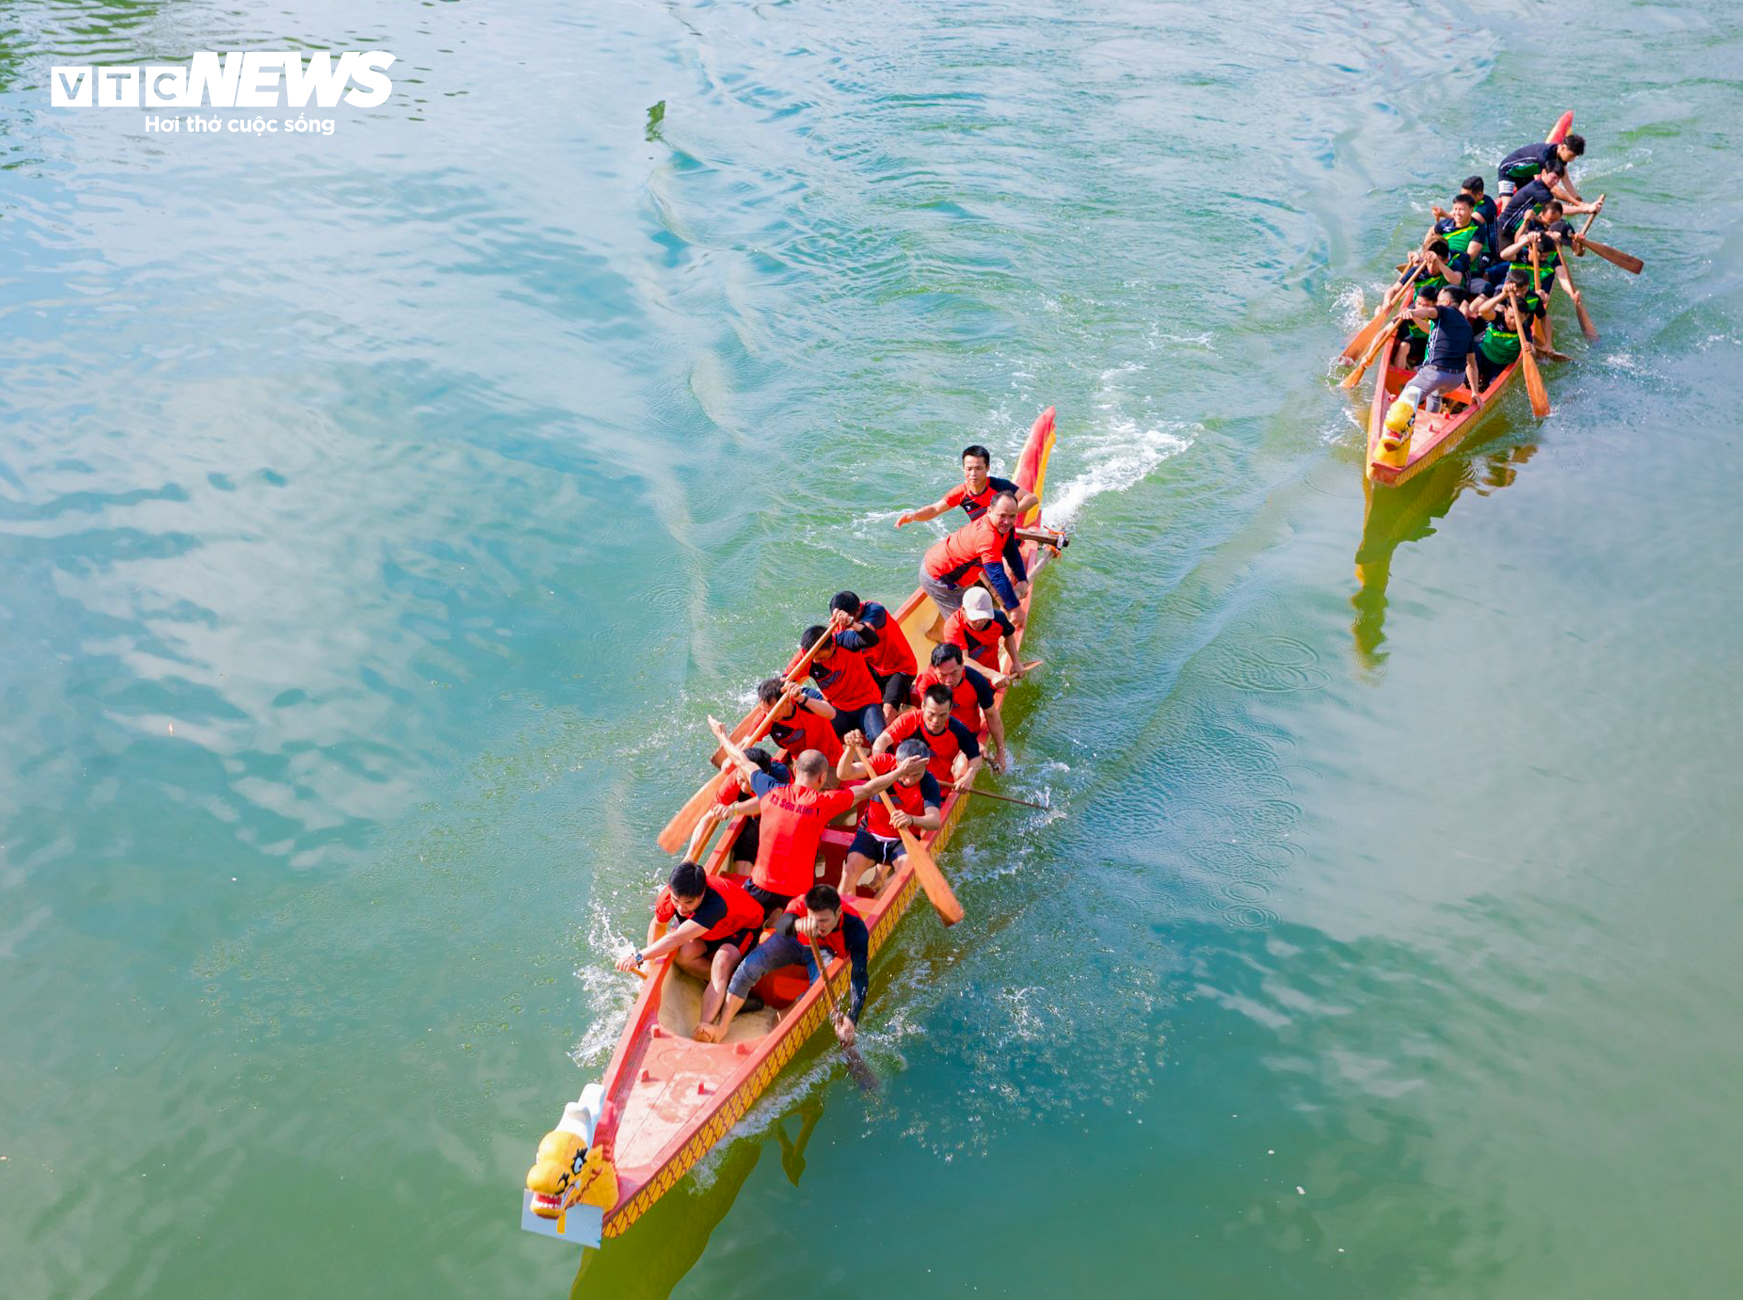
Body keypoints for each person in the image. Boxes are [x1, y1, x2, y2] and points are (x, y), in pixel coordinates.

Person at [708, 715, 924, 919]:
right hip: (798, 895)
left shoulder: (770, 789)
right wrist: (898, 772)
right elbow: (868, 789)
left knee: (745, 920)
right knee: (802, 924)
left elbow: (741, 760)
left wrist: (721, 735)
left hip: (760, 886)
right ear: (822, 778)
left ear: (793, 770)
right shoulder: (824, 803)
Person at [697, 884, 869, 1045]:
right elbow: (783, 926)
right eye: (814, 920)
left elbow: (859, 975)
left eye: (824, 921)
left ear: (839, 911)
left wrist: (852, 1018)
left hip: (827, 952)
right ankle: (722, 1027)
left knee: (817, 991)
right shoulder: (801, 902)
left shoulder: (856, 928)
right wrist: (797, 924)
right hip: (794, 940)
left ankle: (785, 1014)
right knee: (750, 966)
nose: (818, 926)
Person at [618, 861, 766, 1030]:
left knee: (721, 963)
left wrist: (638, 957)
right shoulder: (669, 895)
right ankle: (730, 987)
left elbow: (676, 938)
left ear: (702, 894)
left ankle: (704, 1027)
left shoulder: (716, 904)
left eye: (688, 903)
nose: (681, 908)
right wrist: (650, 966)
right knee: (683, 957)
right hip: (707, 931)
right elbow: (658, 925)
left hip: (741, 928)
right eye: (676, 900)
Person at [835, 736, 943, 894]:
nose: (909, 780)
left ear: (925, 765)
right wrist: (850, 749)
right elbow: (844, 774)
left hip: (902, 838)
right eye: (906, 773)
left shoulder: (929, 782)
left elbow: (934, 821)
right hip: (870, 833)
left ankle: (876, 911)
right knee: (849, 873)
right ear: (897, 763)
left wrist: (911, 819)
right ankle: (846, 914)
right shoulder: (882, 762)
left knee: (899, 881)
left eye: (916, 774)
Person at [1381, 285, 1483, 451]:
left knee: (1409, 392)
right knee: (1435, 395)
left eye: (1439, 299)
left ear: (1447, 302)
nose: (1436, 302)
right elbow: (1471, 363)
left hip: (1436, 372)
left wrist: (1412, 312)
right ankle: (1429, 430)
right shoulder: (1466, 326)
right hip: (1456, 378)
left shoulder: (1443, 310)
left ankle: (1396, 435)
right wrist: (1474, 392)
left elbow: (1428, 312)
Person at [919, 492, 1029, 622]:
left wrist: (1022, 579)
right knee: (968, 623)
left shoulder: (1005, 528)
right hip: (941, 579)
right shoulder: (988, 538)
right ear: (989, 511)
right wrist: (1015, 608)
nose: (1007, 521)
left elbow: (1011, 551)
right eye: (1002, 516)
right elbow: (997, 576)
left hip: (946, 567)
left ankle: (936, 632)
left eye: (1012, 516)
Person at [791, 609, 886, 741]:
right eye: (813, 658)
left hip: (867, 703)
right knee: (817, 739)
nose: (815, 661)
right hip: (838, 710)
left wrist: (852, 623)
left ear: (832, 646)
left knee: (878, 739)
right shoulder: (807, 656)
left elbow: (872, 640)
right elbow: (785, 680)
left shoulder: (844, 640)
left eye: (820, 658)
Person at [689, 745, 789, 869]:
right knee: (745, 844)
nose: (744, 787)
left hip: (783, 814)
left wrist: (733, 809)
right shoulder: (732, 782)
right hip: (754, 818)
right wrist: (690, 857)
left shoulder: (780, 775)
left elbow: (766, 801)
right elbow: (707, 818)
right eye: (741, 780)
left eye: (750, 782)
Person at [895, 444, 1040, 528]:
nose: (973, 474)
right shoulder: (961, 493)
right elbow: (935, 509)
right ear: (963, 469)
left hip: (1006, 531)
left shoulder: (999, 485)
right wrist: (914, 516)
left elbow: (1032, 498)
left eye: (978, 468)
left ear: (987, 468)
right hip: (983, 536)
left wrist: (1005, 515)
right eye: (969, 469)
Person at [874, 683, 983, 791]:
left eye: (942, 715)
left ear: (950, 710)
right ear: (922, 706)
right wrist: (882, 773)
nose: (936, 721)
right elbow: (881, 742)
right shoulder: (908, 720)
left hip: (937, 789)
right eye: (931, 714)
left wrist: (969, 776)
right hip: (903, 783)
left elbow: (975, 756)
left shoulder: (958, 730)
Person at [913, 642, 1005, 769]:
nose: (949, 680)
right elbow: (934, 718)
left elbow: (992, 715)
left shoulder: (976, 680)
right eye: (943, 675)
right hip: (935, 732)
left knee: (962, 769)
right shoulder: (926, 683)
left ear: (962, 665)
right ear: (934, 670)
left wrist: (1001, 753)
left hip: (967, 733)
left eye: (954, 673)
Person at [829, 591, 916, 724]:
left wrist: (851, 623)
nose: (843, 623)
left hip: (899, 668)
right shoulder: (838, 623)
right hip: (873, 669)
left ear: (859, 609)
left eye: (850, 618)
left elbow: (867, 632)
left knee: (888, 711)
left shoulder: (875, 610)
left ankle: (888, 727)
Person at [1468, 270, 1546, 389]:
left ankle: (1483, 385)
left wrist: (1531, 349)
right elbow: (1482, 311)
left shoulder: (1524, 330)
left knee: (1490, 386)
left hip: (1500, 365)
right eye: (1511, 317)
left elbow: (1533, 351)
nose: (1514, 321)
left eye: (1519, 318)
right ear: (1505, 312)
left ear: (1526, 317)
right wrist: (1503, 295)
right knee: (1467, 369)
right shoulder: (1498, 318)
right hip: (1483, 354)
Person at [754, 677, 842, 766]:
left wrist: (802, 699)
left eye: (772, 711)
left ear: (787, 701)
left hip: (830, 760)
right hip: (802, 765)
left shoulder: (805, 696)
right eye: (765, 710)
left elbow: (831, 713)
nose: (769, 716)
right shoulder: (766, 718)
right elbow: (746, 741)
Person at [941, 586, 1022, 680]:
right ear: (963, 610)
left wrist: (1016, 662)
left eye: (984, 618)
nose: (980, 622)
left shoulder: (998, 618)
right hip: (969, 677)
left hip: (993, 669)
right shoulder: (953, 627)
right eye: (975, 618)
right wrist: (992, 675)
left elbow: (1008, 634)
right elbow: (963, 660)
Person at [1497, 133, 1587, 201]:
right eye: (1571, 156)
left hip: (1526, 175)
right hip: (1508, 171)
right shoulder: (1544, 157)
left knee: (1534, 201)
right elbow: (1552, 188)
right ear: (1563, 148)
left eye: (1575, 157)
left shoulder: (1560, 156)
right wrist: (1577, 204)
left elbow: (1565, 179)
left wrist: (1576, 198)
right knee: (1507, 205)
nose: (1572, 159)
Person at [1391, 282, 1442, 370]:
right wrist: (1369, 354)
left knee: (1416, 369)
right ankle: (1399, 375)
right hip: (1418, 341)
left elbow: (1429, 330)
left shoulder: (1439, 312)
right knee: (1403, 345)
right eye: (1418, 303)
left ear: (1435, 304)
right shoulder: (1412, 308)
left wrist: (1414, 316)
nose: (1420, 308)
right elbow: (1386, 330)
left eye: (1425, 305)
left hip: (1434, 346)